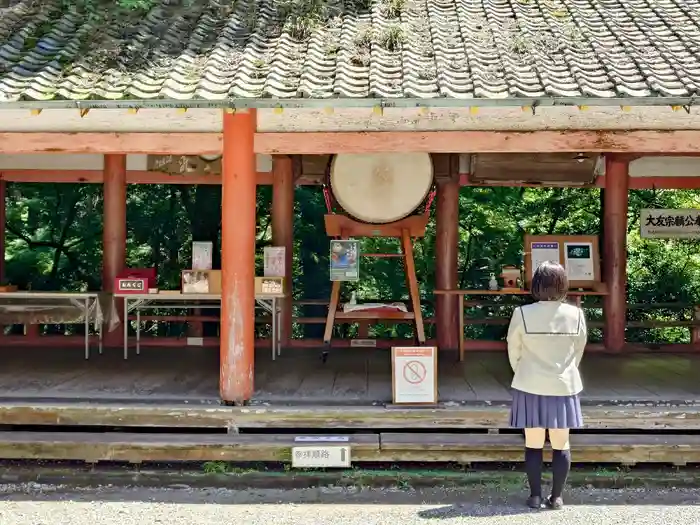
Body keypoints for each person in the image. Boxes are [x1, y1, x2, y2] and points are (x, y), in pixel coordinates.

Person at [506, 261, 587, 510]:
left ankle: (535, 496)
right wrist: (564, 369)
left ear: (537, 285)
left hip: (529, 383)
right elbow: (578, 350)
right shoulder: (575, 314)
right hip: (564, 385)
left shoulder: (522, 313)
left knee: (533, 442)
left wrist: (523, 369)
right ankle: (558, 498)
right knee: (562, 443)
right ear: (563, 285)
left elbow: (513, 349)